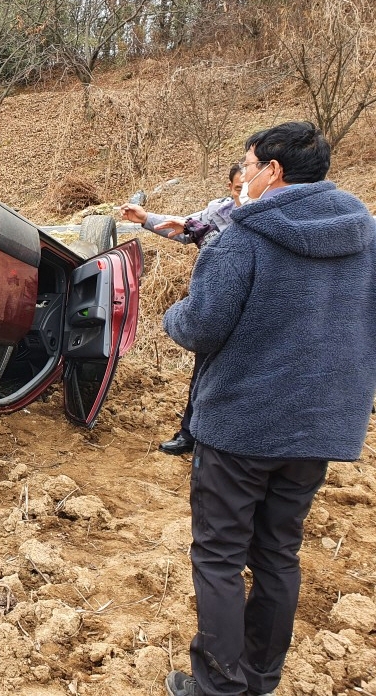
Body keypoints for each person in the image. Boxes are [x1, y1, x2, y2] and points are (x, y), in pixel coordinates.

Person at [161, 121, 376, 696]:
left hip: (241, 425)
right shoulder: (366, 234)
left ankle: (218, 687)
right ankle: (260, 679)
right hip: (322, 426)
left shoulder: (245, 235)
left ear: (272, 172)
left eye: (248, 165)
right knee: (279, 553)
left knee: (219, 556)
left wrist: (170, 317)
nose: (244, 175)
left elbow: (201, 324)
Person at [119, 163, 242, 456]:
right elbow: (187, 227)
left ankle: (227, 442)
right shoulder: (219, 212)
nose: (245, 194)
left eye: (249, 186)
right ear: (231, 187)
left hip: (253, 311)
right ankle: (190, 434)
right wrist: (146, 218)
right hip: (219, 306)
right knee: (204, 370)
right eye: (239, 188)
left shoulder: (268, 217)